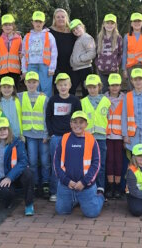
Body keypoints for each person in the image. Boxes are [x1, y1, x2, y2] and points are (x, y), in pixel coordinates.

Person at [53, 111, 104, 218]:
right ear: (70, 124)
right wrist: (67, 181)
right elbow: (56, 162)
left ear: (86, 124)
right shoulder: (64, 138)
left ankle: (99, 196)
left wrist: (84, 182)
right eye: (75, 122)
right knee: (61, 211)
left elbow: (96, 164)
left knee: (92, 214)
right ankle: (75, 199)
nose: (78, 125)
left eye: (81, 122)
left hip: (85, 186)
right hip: (66, 185)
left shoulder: (91, 140)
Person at [0, 117, 35, 215]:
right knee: (6, 193)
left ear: (9, 130)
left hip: (17, 176)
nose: (2, 132)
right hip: (2, 177)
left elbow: (23, 161)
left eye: (4, 129)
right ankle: (9, 198)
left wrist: (10, 177)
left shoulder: (17, 142)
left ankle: (29, 204)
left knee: (28, 174)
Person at [46, 73, 81, 202]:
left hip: (71, 137)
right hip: (56, 138)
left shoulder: (75, 101)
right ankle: (54, 191)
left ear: (70, 85)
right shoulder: (53, 100)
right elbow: (48, 118)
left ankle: (72, 189)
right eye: (60, 85)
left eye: (65, 84)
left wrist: (76, 134)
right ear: (56, 86)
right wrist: (51, 133)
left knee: (71, 164)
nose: (63, 87)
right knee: (56, 164)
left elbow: (78, 119)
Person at [18, 71, 50, 199]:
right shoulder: (19, 97)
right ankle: (35, 183)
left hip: (42, 134)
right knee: (32, 161)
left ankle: (45, 183)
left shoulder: (44, 98)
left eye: (34, 82)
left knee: (45, 161)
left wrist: (46, 134)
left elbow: (47, 118)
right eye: (29, 82)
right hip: (28, 135)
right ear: (25, 83)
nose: (31, 84)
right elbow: (4, 100)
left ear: (38, 83)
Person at [80, 74, 110, 195]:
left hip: (102, 138)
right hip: (87, 138)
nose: (92, 89)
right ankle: (89, 185)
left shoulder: (106, 101)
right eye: (90, 87)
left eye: (95, 87)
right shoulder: (83, 102)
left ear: (100, 86)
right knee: (88, 163)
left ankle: (100, 187)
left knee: (101, 164)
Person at [21, 11, 58, 98]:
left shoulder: (49, 36)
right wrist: (24, 70)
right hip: (31, 65)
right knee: (32, 89)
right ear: (32, 22)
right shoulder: (27, 37)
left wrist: (52, 67)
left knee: (46, 89)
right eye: (36, 21)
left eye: (40, 22)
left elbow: (54, 52)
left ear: (44, 23)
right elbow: (23, 54)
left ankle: (46, 109)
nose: (38, 24)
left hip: (45, 66)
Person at [105, 73, 125, 199]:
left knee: (119, 161)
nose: (114, 88)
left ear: (120, 86)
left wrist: (125, 135)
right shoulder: (103, 99)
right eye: (112, 85)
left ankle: (117, 186)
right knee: (109, 161)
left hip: (119, 136)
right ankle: (110, 185)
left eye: (117, 85)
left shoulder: (125, 99)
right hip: (107, 135)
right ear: (108, 86)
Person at [122, 13, 142, 91]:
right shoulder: (127, 36)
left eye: (139, 21)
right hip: (131, 67)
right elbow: (124, 54)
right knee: (131, 89)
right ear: (131, 23)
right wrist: (124, 69)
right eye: (135, 21)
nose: (137, 23)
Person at [49, 8, 76, 94]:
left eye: (63, 17)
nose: (60, 19)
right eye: (58, 17)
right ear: (54, 19)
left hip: (71, 66)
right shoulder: (49, 32)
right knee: (59, 90)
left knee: (71, 91)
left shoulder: (73, 32)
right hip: (56, 66)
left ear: (66, 18)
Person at [95, 14, 123, 93]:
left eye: (112, 23)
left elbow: (121, 53)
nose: (109, 25)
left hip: (113, 70)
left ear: (115, 25)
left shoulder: (118, 38)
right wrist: (98, 64)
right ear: (103, 24)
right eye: (107, 23)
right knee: (103, 91)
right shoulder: (99, 37)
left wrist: (117, 64)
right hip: (101, 71)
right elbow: (95, 53)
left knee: (113, 91)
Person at [0, 14, 22, 87]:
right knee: (3, 94)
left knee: (15, 94)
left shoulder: (19, 39)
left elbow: (22, 56)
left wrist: (23, 72)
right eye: (5, 25)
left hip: (16, 72)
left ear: (13, 26)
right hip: (3, 72)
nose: (7, 27)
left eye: (9, 25)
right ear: (2, 27)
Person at [69, 19, 96, 97]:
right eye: (73, 30)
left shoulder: (87, 38)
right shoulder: (79, 39)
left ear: (82, 26)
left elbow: (92, 53)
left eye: (77, 28)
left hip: (85, 69)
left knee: (86, 90)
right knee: (71, 88)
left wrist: (80, 59)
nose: (76, 31)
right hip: (77, 69)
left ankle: (86, 108)